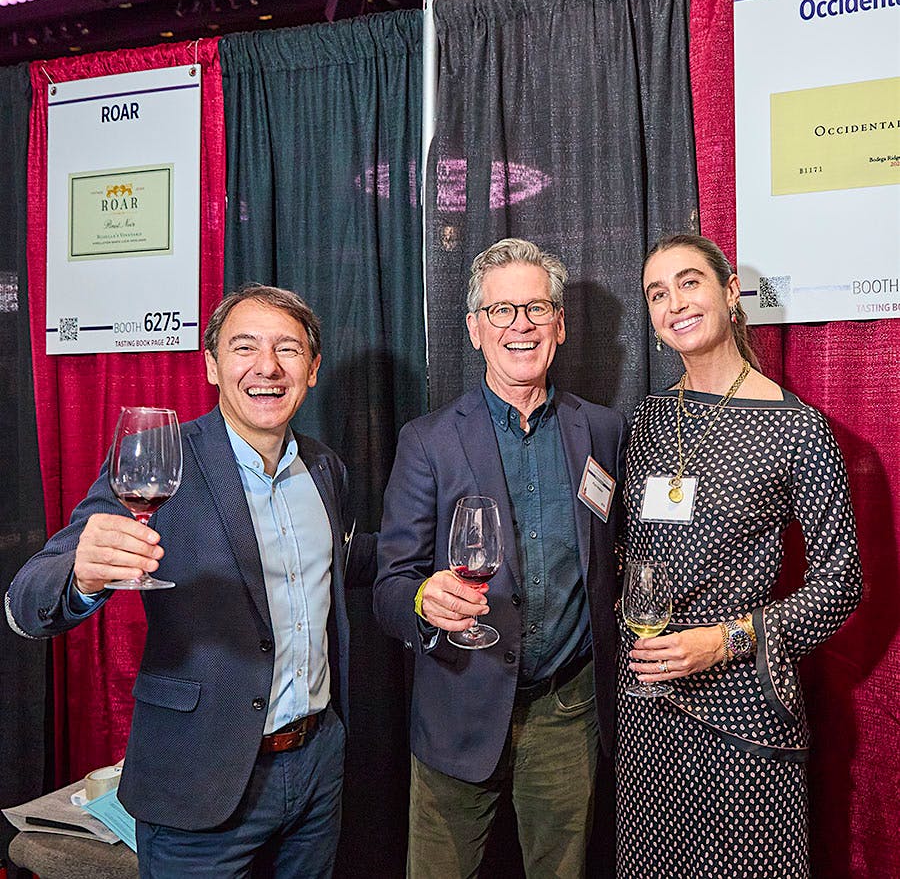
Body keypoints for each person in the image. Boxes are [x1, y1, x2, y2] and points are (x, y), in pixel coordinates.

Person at [6, 286, 375, 878]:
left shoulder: (325, 466)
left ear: (312, 370)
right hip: (198, 779)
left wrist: (424, 569)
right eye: (244, 347)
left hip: (316, 769)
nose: (267, 367)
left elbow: (337, 563)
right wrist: (80, 576)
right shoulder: (160, 459)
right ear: (211, 365)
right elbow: (27, 599)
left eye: (288, 349)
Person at [374, 238, 627, 878]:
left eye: (537, 309)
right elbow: (388, 587)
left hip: (567, 713)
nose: (521, 325)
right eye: (502, 311)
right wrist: (421, 602)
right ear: (475, 329)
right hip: (459, 706)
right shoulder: (428, 441)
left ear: (560, 325)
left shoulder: (602, 429)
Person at [618, 234, 862, 878]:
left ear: (730, 294)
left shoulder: (798, 428)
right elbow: (631, 548)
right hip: (647, 705)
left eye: (690, 282)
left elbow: (842, 582)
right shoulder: (647, 419)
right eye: (657, 292)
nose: (674, 302)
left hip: (743, 709)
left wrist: (725, 640)